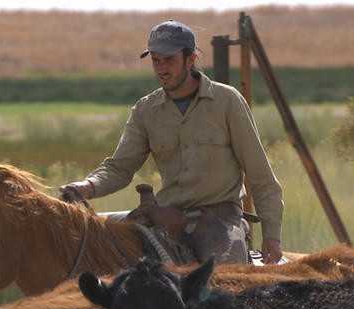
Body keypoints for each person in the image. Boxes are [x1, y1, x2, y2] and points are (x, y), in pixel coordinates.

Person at [61, 20, 284, 264]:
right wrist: (87, 187)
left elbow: (259, 173)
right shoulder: (146, 110)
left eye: (169, 60)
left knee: (225, 282)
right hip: (165, 219)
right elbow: (120, 168)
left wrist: (272, 235)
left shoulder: (227, 102)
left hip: (219, 221)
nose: (161, 69)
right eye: (156, 61)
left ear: (190, 59)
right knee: (106, 266)